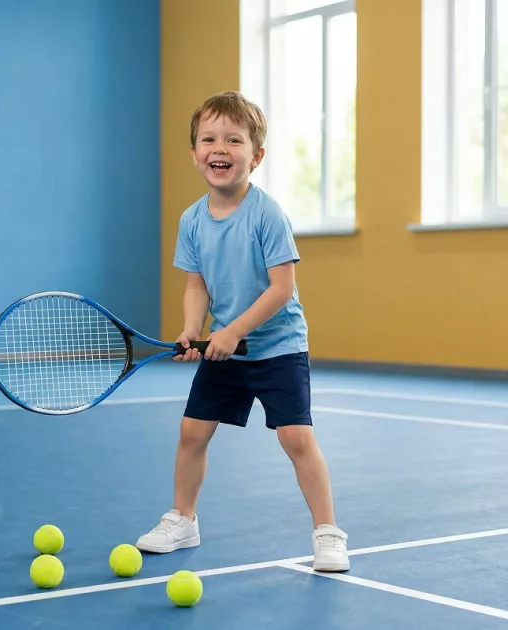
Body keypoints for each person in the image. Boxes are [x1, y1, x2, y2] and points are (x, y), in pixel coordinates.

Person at [135, 91, 349, 572]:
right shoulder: (192, 220)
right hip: (224, 350)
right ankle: (183, 519)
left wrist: (230, 331)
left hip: (278, 347)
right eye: (209, 139)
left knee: (296, 437)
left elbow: (281, 289)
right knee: (192, 432)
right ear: (194, 154)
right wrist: (193, 329)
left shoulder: (266, 214)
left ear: (256, 156)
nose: (220, 148)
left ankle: (328, 531)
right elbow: (196, 285)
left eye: (234, 140)